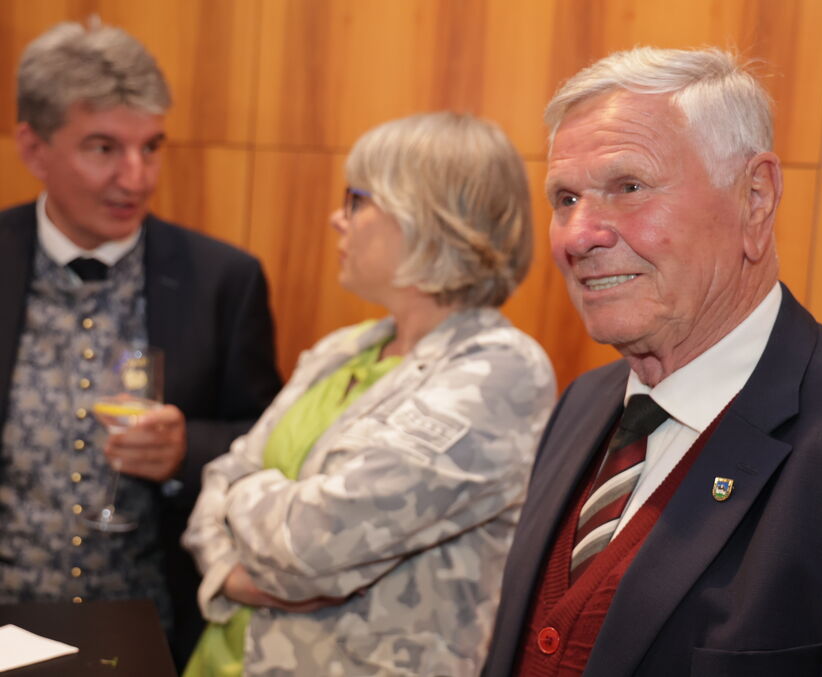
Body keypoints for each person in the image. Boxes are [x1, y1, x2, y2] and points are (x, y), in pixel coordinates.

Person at [482, 47, 822, 677]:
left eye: (629, 187)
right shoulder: (581, 406)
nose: (577, 235)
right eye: (566, 198)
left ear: (756, 197)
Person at [181, 111, 556, 676]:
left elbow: (310, 547)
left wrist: (243, 494)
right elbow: (216, 480)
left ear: (426, 217)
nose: (338, 219)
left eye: (356, 200)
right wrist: (232, 575)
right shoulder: (343, 349)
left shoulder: (499, 371)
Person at [0, 19, 282, 666]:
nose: (136, 177)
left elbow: (266, 442)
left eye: (151, 147)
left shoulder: (223, 279)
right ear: (34, 148)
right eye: (103, 148)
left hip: (154, 632)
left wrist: (187, 451)